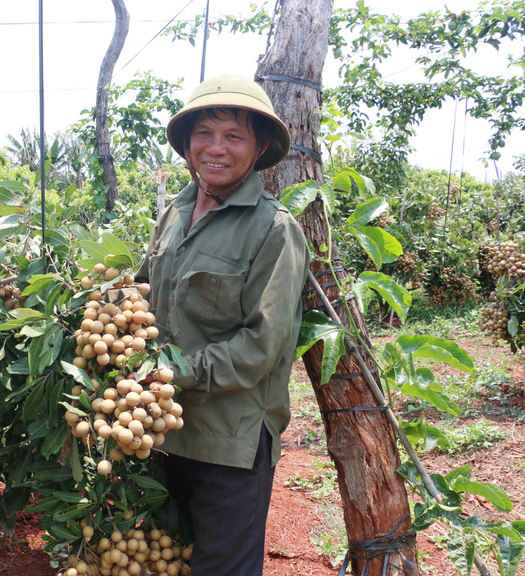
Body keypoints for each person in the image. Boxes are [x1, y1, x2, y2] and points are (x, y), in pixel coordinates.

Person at [135, 74, 310, 575]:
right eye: (204, 134)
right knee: (166, 558)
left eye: (233, 136)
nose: (216, 148)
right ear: (187, 144)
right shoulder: (176, 211)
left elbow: (262, 345)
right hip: (160, 429)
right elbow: (145, 291)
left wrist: (169, 373)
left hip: (227, 440)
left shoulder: (274, 230)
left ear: (257, 149)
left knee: (220, 567)